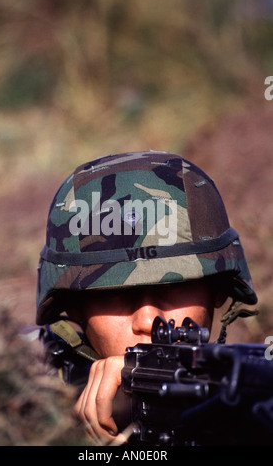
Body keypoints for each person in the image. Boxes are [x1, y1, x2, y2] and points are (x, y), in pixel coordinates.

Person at [35, 151, 257, 445]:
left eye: (174, 287)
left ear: (217, 290)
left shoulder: (256, 401)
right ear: (74, 306)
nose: (148, 320)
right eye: (113, 294)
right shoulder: (25, 400)